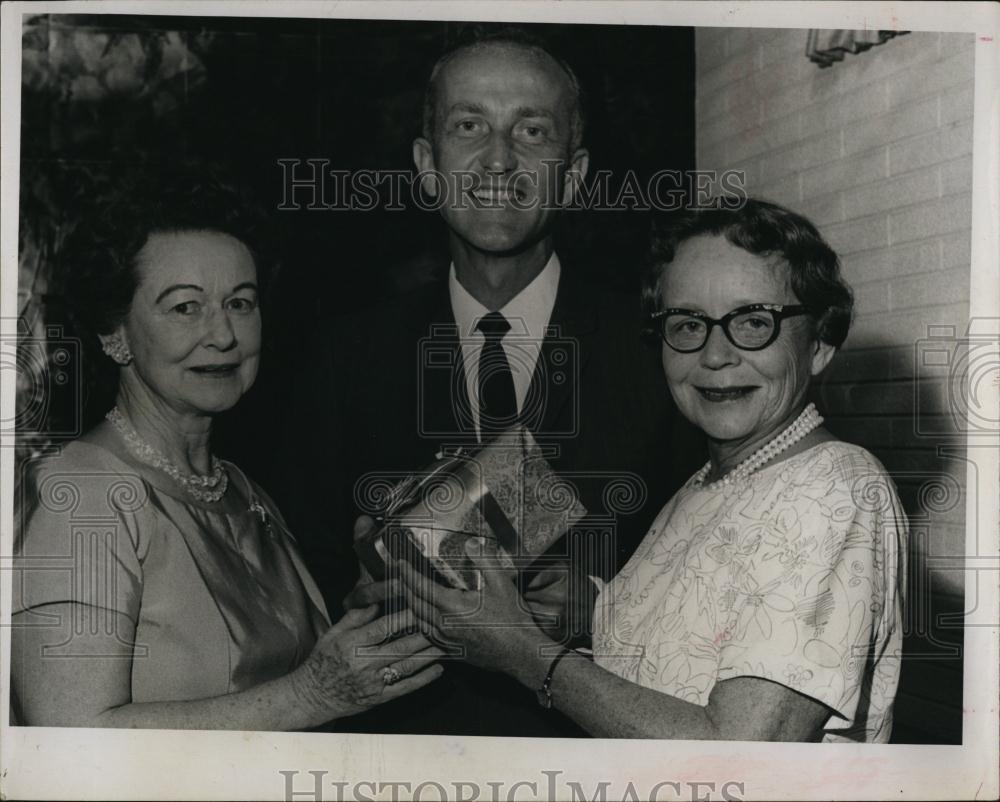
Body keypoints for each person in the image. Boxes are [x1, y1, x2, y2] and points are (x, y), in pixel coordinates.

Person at [283, 27, 700, 737]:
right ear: (426, 163)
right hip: (402, 754)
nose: (499, 159)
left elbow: (710, 559)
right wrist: (354, 592)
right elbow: (301, 567)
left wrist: (603, 605)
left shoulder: (657, 346)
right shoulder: (345, 354)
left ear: (573, 173)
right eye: (469, 125)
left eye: (532, 130)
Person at [396, 199, 908, 742]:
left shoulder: (830, 488)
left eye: (753, 322)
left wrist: (525, 652)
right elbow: (685, 657)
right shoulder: (709, 482)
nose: (714, 355)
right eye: (688, 324)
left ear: (820, 344)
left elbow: (739, 760)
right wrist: (589, 609)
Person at [10, 176, 442, 730]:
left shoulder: (241, 490)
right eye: (185, 308)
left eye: (240, 302)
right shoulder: (83, 496)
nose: (223, 335)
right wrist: (313, 695)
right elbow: (69, 739)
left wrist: (373, 607)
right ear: (115, 332)